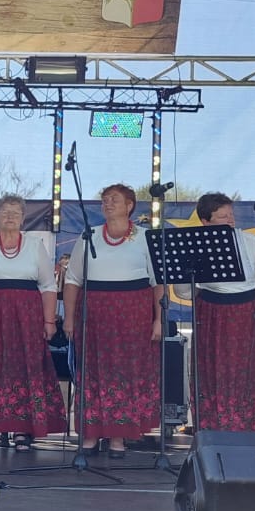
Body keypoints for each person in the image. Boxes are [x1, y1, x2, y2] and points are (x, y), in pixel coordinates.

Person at [63, 183, 162, 457]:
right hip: (94, 313)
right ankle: (91, 434)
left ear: (129, 206)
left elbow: (158, 282)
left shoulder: (145, 237)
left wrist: (158, 320)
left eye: (114, 199)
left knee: (125, 372)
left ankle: (119, 436)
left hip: (133, 314)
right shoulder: (89, 235)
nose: (107, 203)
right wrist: (68, 318)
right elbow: (73, 280)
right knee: (92, 371)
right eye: (105, 199)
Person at [0, 194, 64, 451]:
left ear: (23, 218)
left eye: (15, 213)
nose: (10, 216)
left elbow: (48, 286)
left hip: (27, 316)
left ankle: (22, 429)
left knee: (25, 367)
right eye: (5, 212)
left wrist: (49, 320)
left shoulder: (35, 245)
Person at [190, 193, 255, 432]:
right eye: (222, 216)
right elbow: (185, 289)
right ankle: (213, 429)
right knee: (212, 370)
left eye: (231, 214)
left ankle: (252, 429)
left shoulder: (248, 240)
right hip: (212, 313)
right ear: (205, 221)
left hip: (247, 311)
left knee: (249, 371)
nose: (230, 220)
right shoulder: (195, 244)